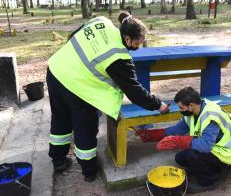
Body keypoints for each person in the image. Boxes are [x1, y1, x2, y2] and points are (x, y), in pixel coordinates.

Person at [46, 11, 169, 182]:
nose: (139, 46)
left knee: (60, 118)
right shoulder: (119, 57)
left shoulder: (101, 21)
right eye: (137, 43)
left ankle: (58, 160)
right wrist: (159, 105)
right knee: (85, 126)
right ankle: (89, 171)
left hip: (56, 70)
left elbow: (73, 37)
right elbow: (135, 91)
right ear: (127, 39)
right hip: (77, 87)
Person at [135, 87, 231, 194]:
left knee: (192, 156)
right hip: (217, 148)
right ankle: (210, 169)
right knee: (180, 158)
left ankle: (208, 182)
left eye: (181, 108)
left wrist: (178, 141)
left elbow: (205, 146)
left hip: (229, 153)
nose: (180, 110)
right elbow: (177, 130)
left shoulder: (210, 117)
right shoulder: (193, 111)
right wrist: (151, 135)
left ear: (191, 105)